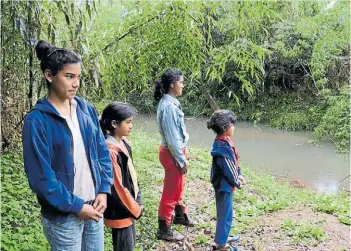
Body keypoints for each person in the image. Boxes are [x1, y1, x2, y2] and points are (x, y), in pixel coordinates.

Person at [22, 40, 113, 251]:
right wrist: (76, 206)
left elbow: (101, 152)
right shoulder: (37, 121)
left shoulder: (85, 109)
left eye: (78, 77)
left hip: (95, 206)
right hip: (64, 217)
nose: (76, 83)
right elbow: (41, 177)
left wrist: (103, 190)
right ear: (49, 75)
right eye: (69, 76)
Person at [154, 68, 197, 242]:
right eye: (181, 82)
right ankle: (163, 228)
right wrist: (181, 159)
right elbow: (172, 139)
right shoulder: (169, 107)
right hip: (172, 154)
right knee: (171, 192)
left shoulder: (171, 103)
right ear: (172, 84)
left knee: (179, 186)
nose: (183, 85)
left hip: (175, 152)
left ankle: (179, 215)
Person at [100, 102, 142, 251]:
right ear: (114, 124)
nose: (131, 126)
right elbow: (117, 187)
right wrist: (135, 208)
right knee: (124, 246)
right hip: (121, 210)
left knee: (130, 244)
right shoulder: (111, 151)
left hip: (130, 205)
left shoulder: (124, 142)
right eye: (128, 122)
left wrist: (138, 199)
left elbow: (132, 174)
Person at [207, 110, 246, 251]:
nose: (234, 127)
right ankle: (221, 244)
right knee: (225, 215)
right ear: (225, 128)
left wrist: (239, 174)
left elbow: (234, 163)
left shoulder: (224, 141)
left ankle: (223, 236)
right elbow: (229, 169)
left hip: (225, 185)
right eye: (232, 125)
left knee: (226, 213)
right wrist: (238, 181)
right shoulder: (222, 148)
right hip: (224, 187)